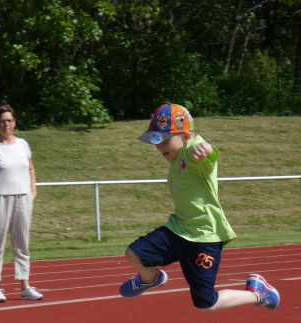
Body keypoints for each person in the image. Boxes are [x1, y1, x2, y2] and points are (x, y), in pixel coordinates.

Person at [119, 103, 280, 311]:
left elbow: (209, 155)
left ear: (186, 136)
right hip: (178, 230)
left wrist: (206, 150)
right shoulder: (176, 160)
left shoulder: (193, 152)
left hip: (204, 236)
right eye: (156, 140)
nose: (158, 147)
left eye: (165, 140)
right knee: (133, 254)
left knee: (206, 303)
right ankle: (151, 278)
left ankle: (259, 294)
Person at [0, 105, 43, 303]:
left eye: (10, 120)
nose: (6, 124)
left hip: (23, 198)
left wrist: (32, 190)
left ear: (14, 122)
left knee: (22, 243)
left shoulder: (23, 144)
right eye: (2, 121)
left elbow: (30, 168)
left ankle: (25, 286)